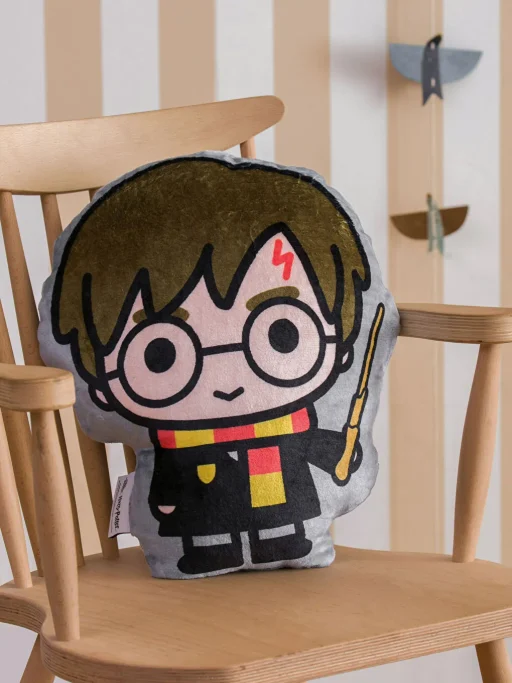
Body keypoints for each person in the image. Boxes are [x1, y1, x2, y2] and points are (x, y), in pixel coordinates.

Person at [52, 157, 375, 574]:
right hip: (195, 493)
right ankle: (207, 548)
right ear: (100, 383)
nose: (228, 381)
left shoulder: (290, 424)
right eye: (161, 353)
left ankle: (281, 540)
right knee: (202, 515)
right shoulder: (177, 438)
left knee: (278, 511)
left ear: (342, 345)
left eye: (282, 333)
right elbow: (167, 478)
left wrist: (337, 453)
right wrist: (161, 499)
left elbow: (312, 444)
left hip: (281, 496)